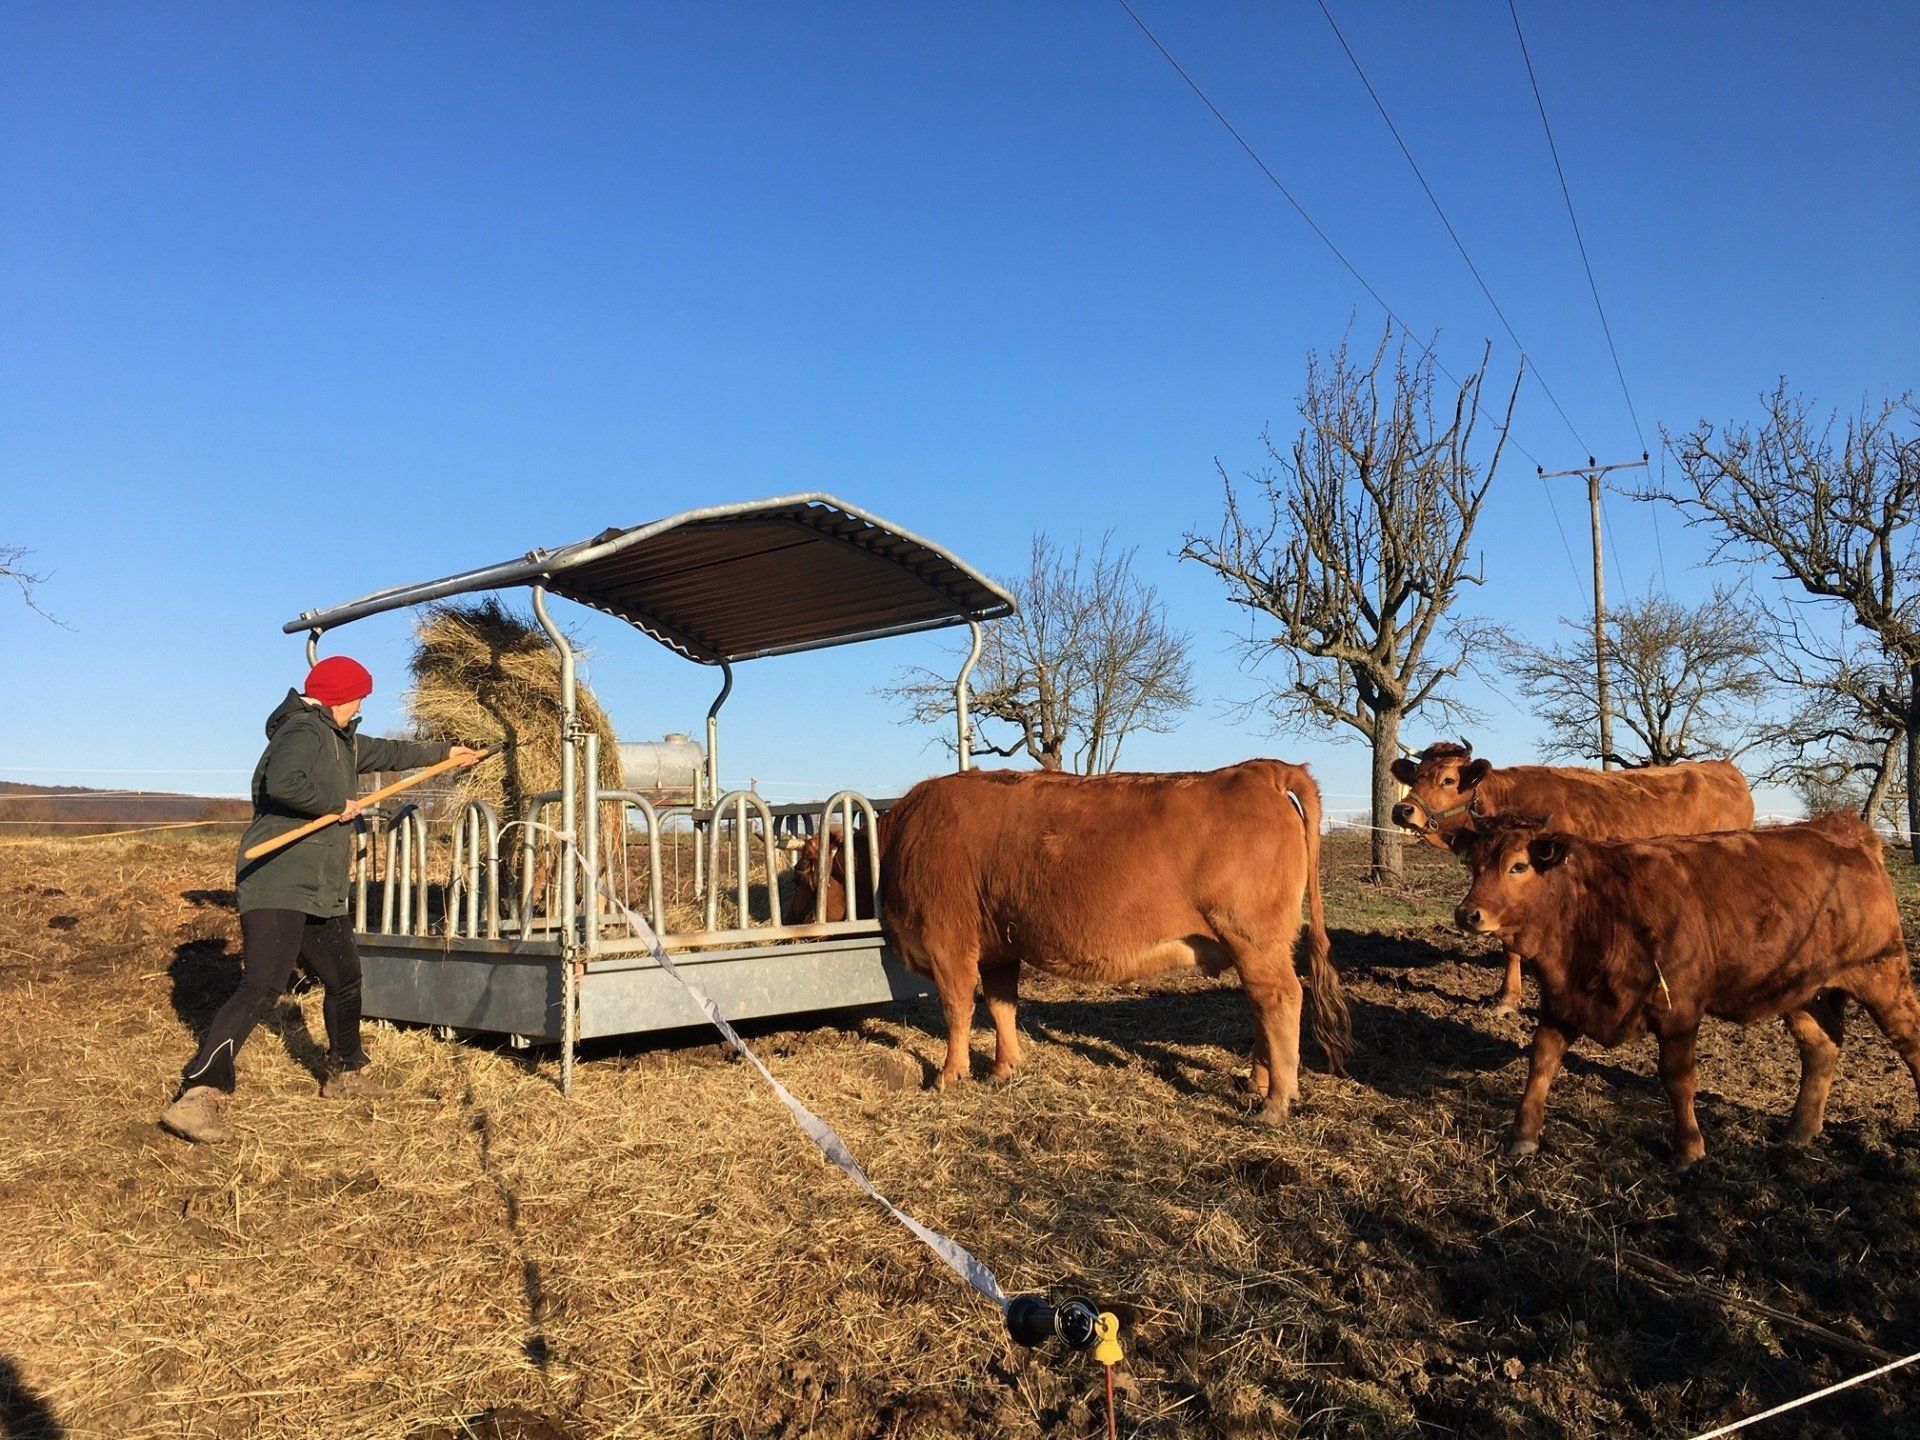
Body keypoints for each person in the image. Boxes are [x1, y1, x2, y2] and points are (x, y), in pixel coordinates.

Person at [158, 656, 482, 1143]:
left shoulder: (341, 740)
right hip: (279, 877)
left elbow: (389, 752)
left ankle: (345, 1072)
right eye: (357, 698)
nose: (360, 707)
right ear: (337, 696)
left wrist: (446, 753)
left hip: (319, 886)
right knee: (262, 986)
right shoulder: (303, 731)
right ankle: (197, 1094)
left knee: (344, 978)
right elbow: (283, 782)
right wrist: (336, 804)